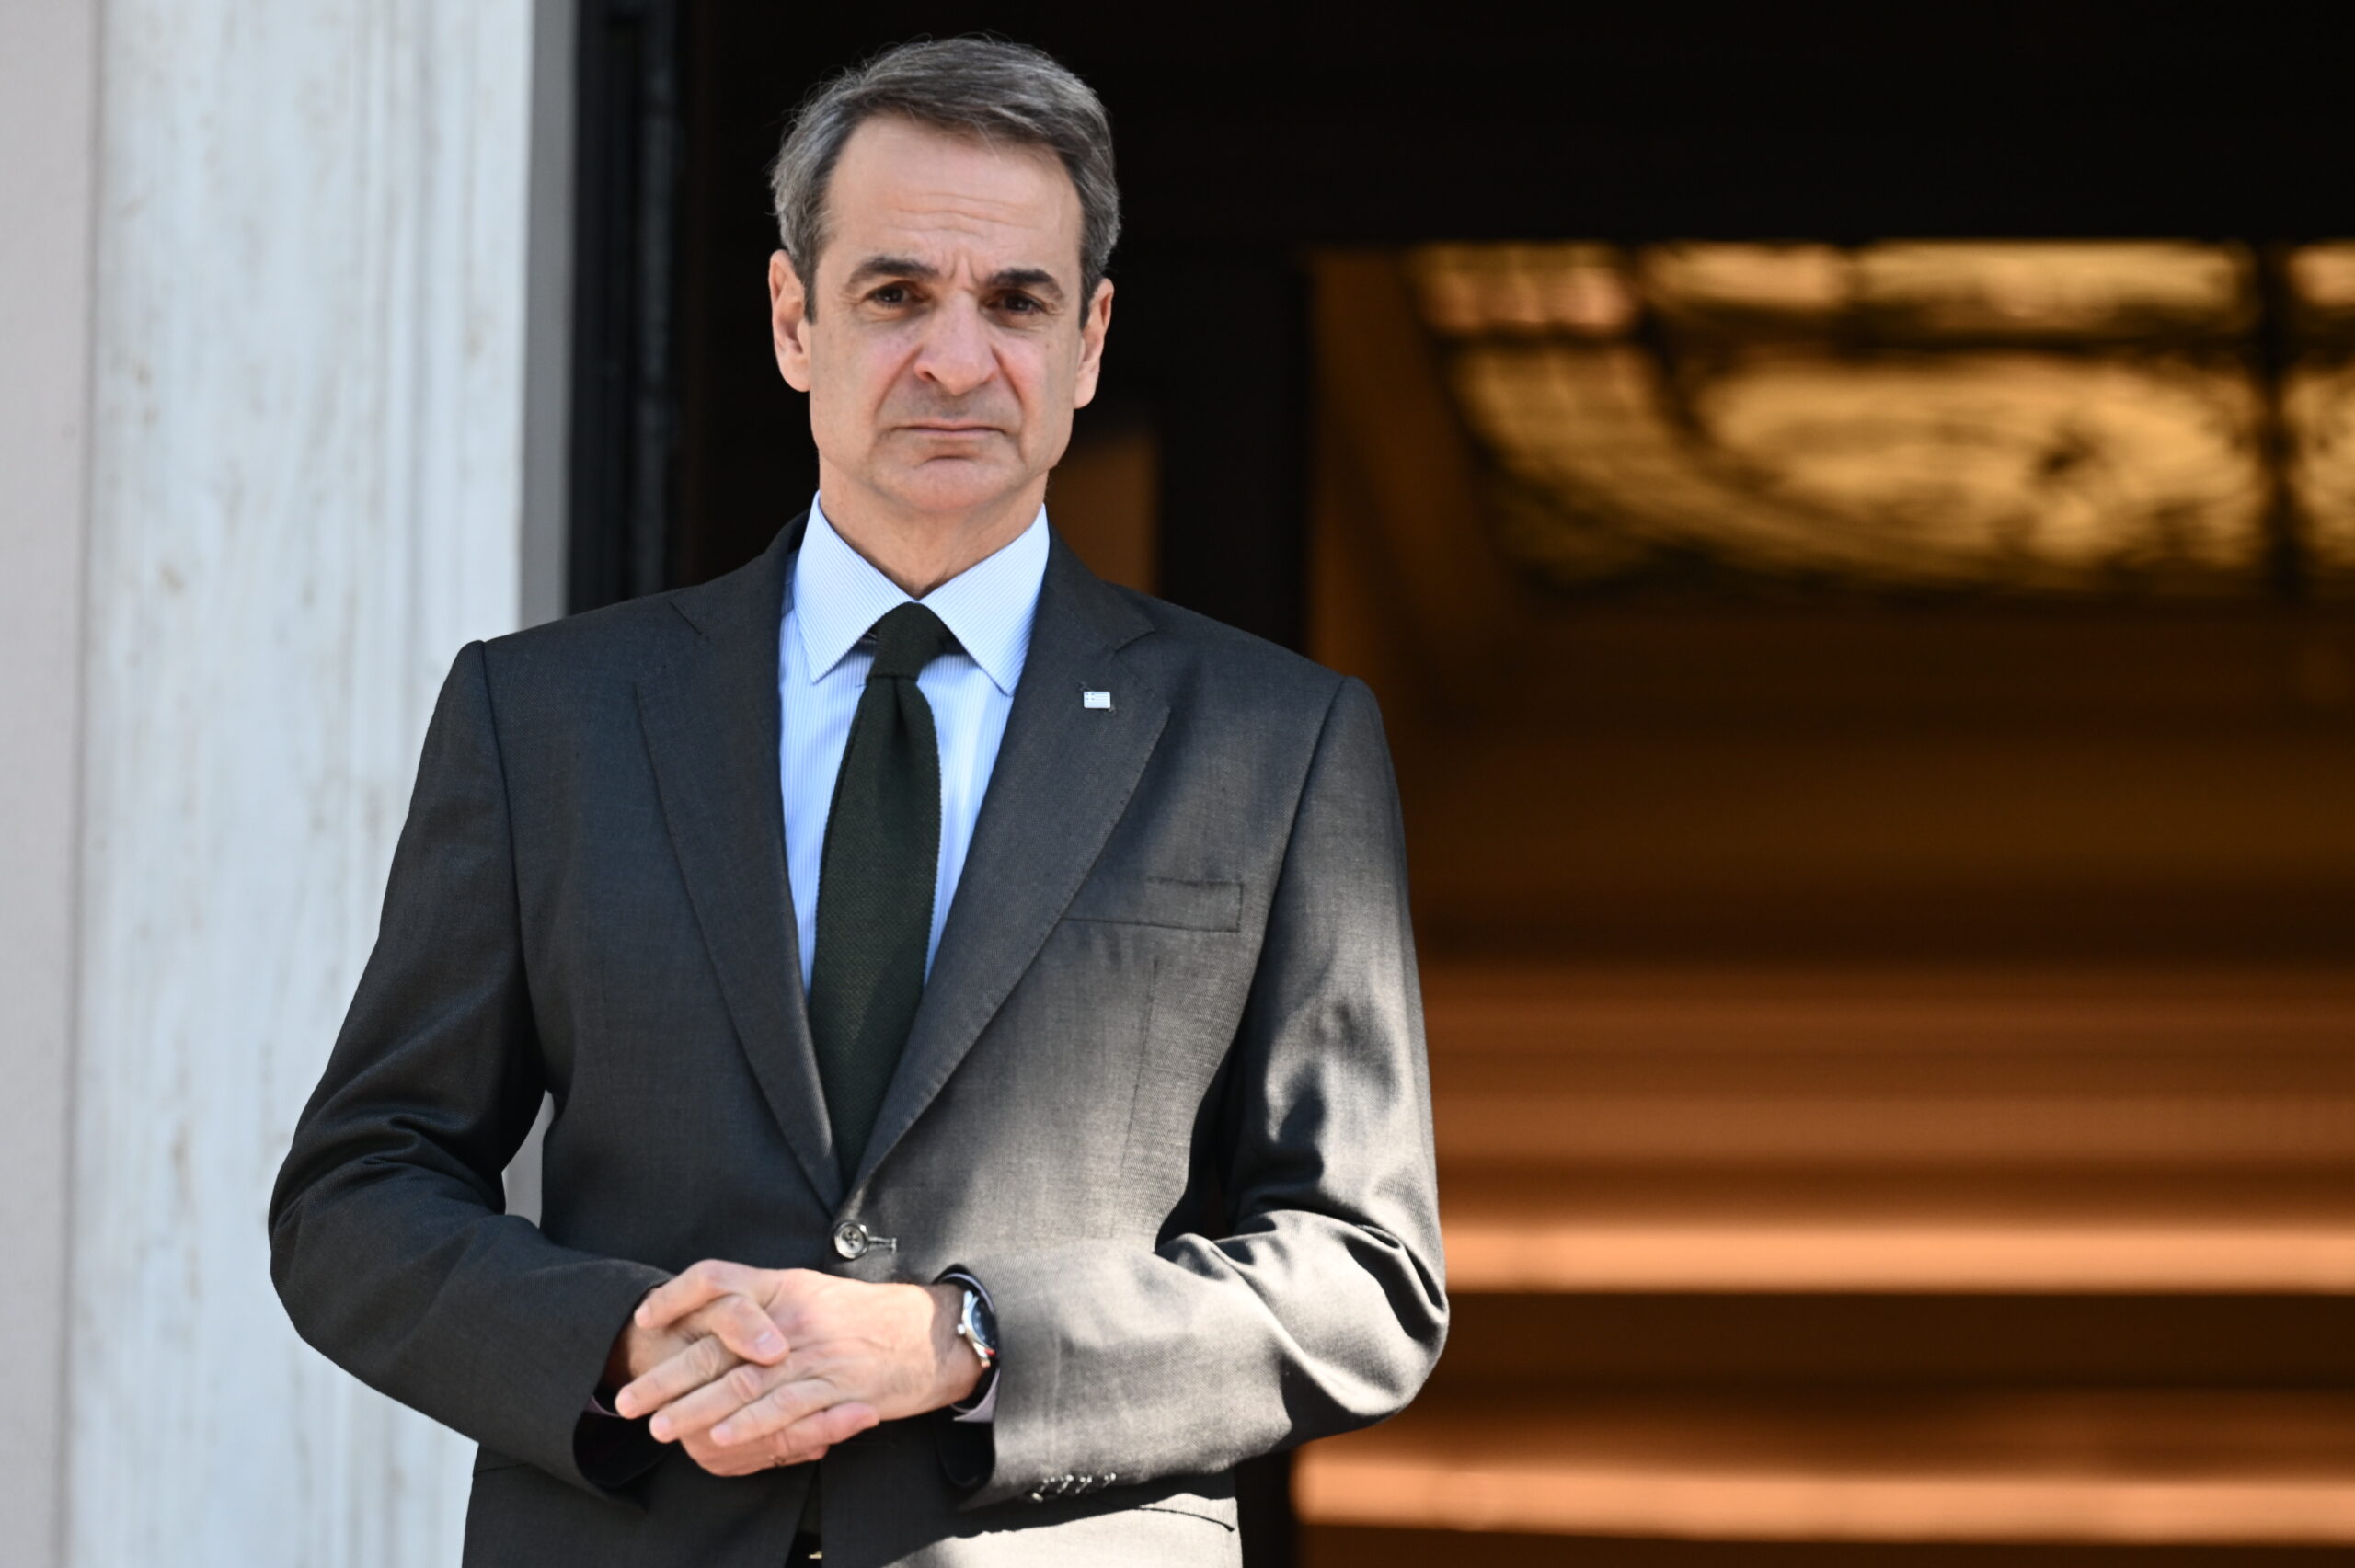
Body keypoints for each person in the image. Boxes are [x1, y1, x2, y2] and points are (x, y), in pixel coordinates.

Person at [270, 36, 1443, 1568]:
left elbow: (1365, 1278)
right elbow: (358, 1193)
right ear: (792, 319)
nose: (956, 360)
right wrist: (617, 1337)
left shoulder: (1275, 744)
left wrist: (962, 1341)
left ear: (1089, 341)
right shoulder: (545, 717)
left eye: (1015, 301)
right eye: (895, 293)